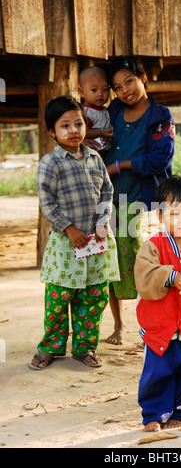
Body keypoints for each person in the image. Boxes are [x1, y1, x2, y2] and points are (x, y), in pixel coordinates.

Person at [28, 95, 119, 370]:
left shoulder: (94, 158)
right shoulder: (50, 162)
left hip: (96, 242)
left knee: (93, 297)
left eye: (78, 123)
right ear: (52, 132)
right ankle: (51, 348)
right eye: (64, 125)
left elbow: (107, 191)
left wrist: (104, 221)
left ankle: (85, 347)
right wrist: (68, 229)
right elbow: (47, 201)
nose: (73, 130)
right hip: (66, 244)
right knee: (59, 298)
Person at [103, 55, 175, 345]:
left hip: (143, 203)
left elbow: (161, 158)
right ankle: (119, 327)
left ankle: (153, 325)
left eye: (129, 81)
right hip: (109, 201)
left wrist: (120, 166)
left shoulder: (160, 116)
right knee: (112, 265)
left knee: (146, 263)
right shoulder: (113, 111)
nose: (125, 91)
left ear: (143, 78)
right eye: (118, 87)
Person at [134, 176, 181, 432]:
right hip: (159, 328)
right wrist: (172, 277)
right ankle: (153, 413)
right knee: (157, 373)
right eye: (175, 214)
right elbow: (144, 276)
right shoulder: (152, 246)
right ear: (161, 217)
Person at [78, 66, 113, 152]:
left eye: (105, 90)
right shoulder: (86, 113)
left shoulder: (106, 110)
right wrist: (101, 133)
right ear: (82, 92)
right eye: (94, 90)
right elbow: (81, 132)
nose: (100, 94)